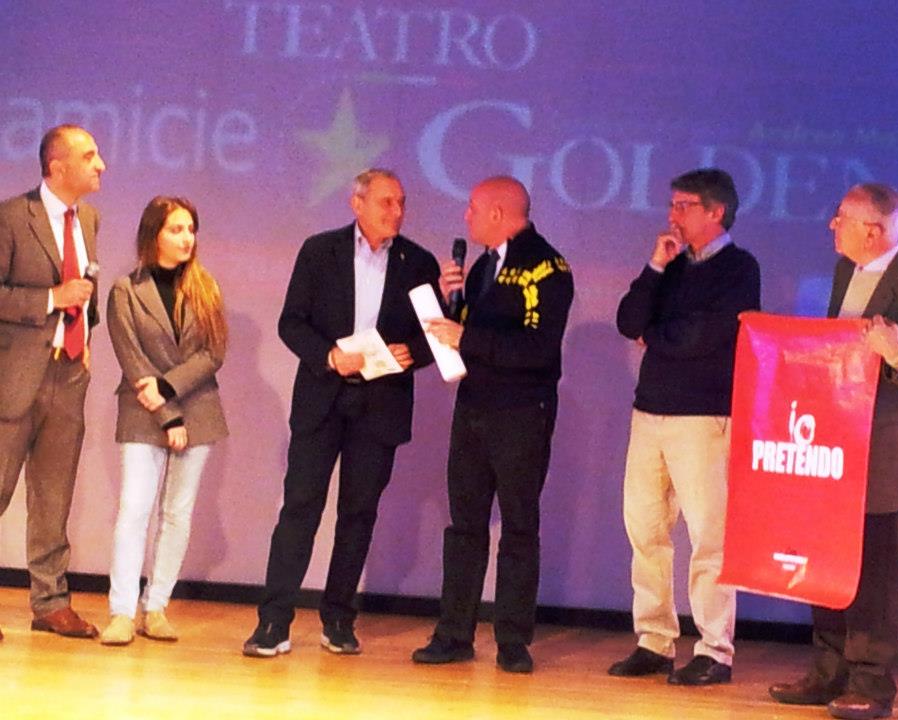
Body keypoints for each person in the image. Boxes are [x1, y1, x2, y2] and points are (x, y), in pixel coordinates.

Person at [769, 184, 898, 720]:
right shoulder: (844, 272)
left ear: (873, 231)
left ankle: (872, 684)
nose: (832, 226)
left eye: (841, 219)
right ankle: (828, 671)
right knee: (826, 559)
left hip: (884, 458)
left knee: (875, 574)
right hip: (835, 447)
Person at [243, 169, 440, 658]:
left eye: (401, 202)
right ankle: (274, 621)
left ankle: (338, 619)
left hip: (381, 404)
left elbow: (436, 335)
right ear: (357, 203)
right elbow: (292, 323)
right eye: (386, 202)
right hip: (323, 398)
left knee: (358, 514)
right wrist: (330, 356)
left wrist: (412, 354)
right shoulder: (319, 251)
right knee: (300, 509)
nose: (397, 211)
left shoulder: (419, 262)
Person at [412, 176, 574, 674]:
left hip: (521, 413)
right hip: (474, 408)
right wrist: (452, 303)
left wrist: (466, 336)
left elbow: (538, 348)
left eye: (473, 208)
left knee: (519, 526)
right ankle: (454, 633)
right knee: (464, 525)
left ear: (499, 213)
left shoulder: (547, 268)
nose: (467, 216)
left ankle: (512, 640)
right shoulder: (484, 266)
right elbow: (469, 334)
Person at [610, 168, 760, 685]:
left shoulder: (739, 269)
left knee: (709, 536)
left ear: (715, 211)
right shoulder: (670, 265)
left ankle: (715, 649)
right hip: (649, 410)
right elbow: (628, 321)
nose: (672, 215)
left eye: (683, 205)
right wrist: (655, 266)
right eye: (672, 204)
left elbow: (705, 336)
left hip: (703, 416)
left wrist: (655, 335)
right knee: (646, 529)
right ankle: (654, 640)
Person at [100, 196, 229, 645]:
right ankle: (121, 612)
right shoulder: (125, 290)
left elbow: (213, 353)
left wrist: (170, 390)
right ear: (153, 234)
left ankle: (155, 607)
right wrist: (166, 413)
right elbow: (132, 358)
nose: (186, 237)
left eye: (190, 229)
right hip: (143, 410)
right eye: (176, 229)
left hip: (197, 407)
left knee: (177, 513)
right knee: (135, 509)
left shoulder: (206, 287)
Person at [0, 124, 106, 641]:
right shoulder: (10, 217)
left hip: (69, 374)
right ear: (57, 166)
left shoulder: (89, 218)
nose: (101, 165)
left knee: (53, 497)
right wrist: (50, 299)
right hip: (14, 378)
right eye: (90, 156)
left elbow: (85, 288)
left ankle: (50, 603)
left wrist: (85, 336)